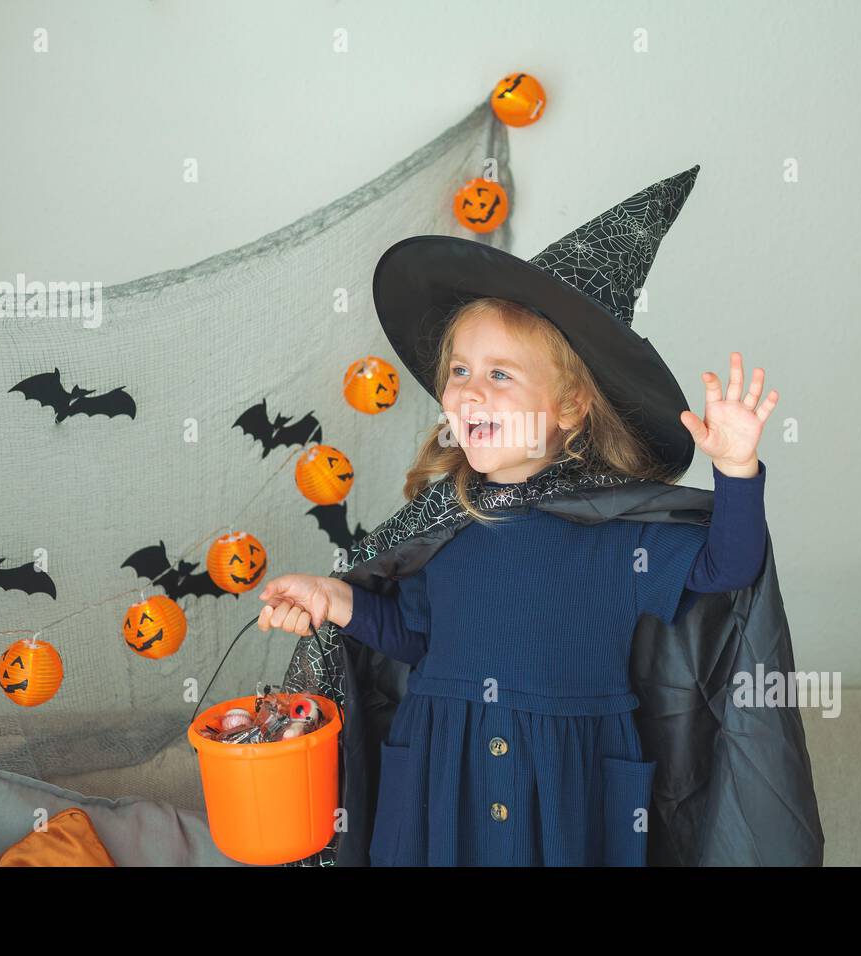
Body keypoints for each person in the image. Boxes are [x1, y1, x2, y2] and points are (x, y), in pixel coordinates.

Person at [257, 165, 802, 866]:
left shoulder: (620, 534)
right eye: (459, 371)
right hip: (437, 782)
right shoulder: (443, 528)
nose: (470, 391)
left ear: (571, 407)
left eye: (501, 374)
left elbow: (729, 568)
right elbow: (413, 638)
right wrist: (335, 599)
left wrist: (736, 471)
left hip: (570, 792)